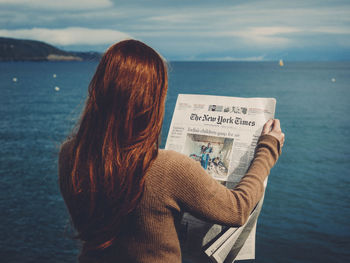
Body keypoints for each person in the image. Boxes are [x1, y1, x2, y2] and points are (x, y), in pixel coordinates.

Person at [58, 39, 285, 263]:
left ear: (99, 88)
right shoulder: (168, 168)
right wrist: (268, 148)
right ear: (151, 100)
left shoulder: (71, 154)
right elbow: (237, 209)